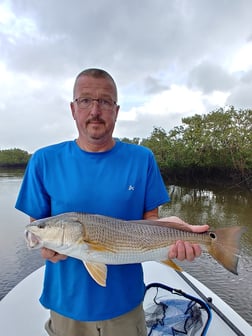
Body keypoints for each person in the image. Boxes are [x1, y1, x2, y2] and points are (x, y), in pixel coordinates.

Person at [15, 68, 209, 336]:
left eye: (104, 101)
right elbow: (38, 227)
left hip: (125, 306)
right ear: (73, 109)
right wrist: (46, 247)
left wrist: (176, 234)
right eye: (85, 101)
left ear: (116, 110)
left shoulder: (142, 159)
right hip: (66, 305)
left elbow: (151, 222)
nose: (95, 110)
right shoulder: (44, 160)